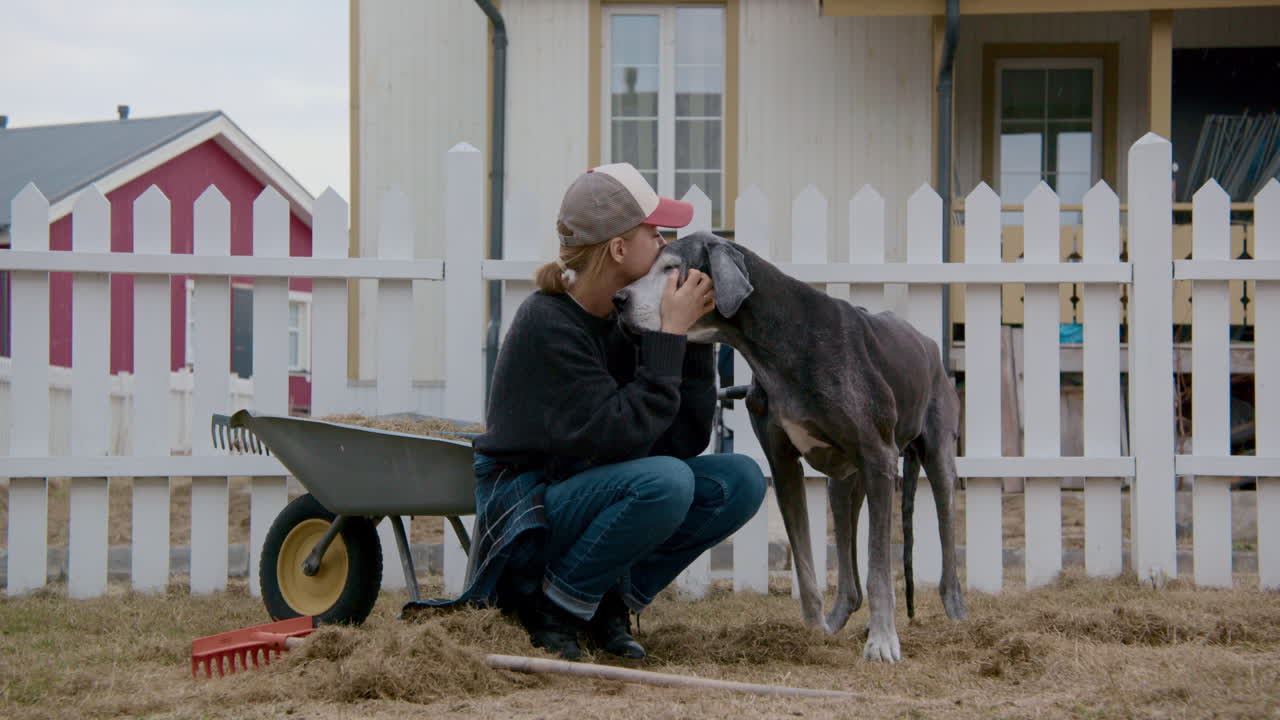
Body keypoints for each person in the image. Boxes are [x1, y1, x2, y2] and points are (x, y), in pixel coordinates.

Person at [403, 162, 767, 661]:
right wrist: (670, 338)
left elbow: (681, 442)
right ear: (619, 249)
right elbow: (622, 435)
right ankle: (551, 606)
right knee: (666, 483)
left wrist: (694, 340)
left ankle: (604, 602)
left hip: (592, 494)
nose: (666, 245)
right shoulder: (548, 324)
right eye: (654, 233)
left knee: (739, 479)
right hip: (530, 511)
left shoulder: (629, 320)